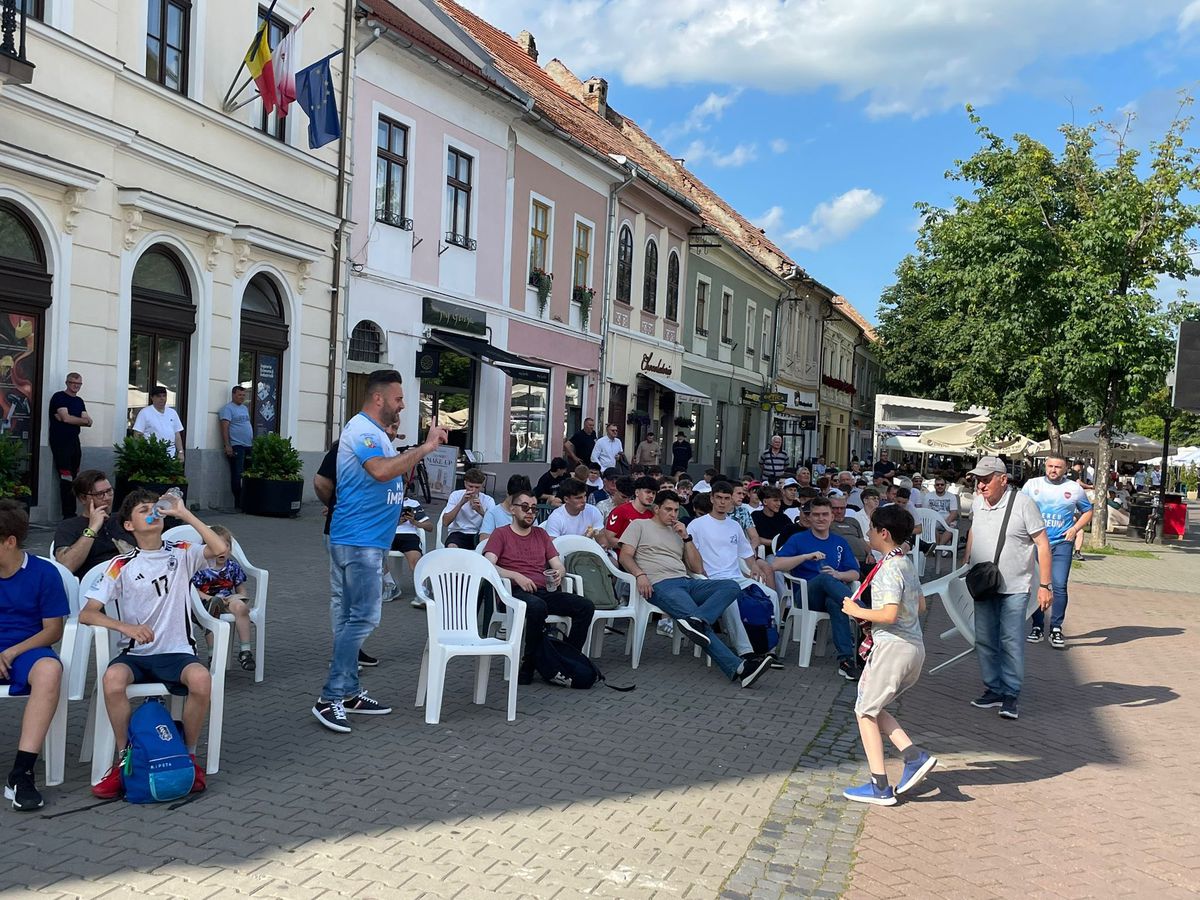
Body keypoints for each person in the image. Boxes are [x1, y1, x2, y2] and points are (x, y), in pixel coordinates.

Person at [312, 369, 448, 734]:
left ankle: (350, 691)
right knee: (364, 618)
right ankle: (330, 696)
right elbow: (381, 472)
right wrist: (426, 448)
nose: (403, 404)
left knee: (349, 618)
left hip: (365, 539)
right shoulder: (361, 431)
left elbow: (390, 476)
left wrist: (412, 456)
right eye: (399, 398)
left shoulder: (377, 435)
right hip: (357, 541)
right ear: (379, 399)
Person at [81, 489, 227, 797]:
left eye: (154, 508)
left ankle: (186, 757)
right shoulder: (120, 564)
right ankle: (126, 760)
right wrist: (125, 626)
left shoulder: (182, 550)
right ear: (130, 526)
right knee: (112, 678)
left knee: (201, 680)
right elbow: (87, 614)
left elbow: (219, 547)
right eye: (143, 510)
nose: (152, 512)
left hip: (176, 652)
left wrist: (183, 514)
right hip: (137, 654)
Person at [619, 490, 773, 688]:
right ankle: (740, 668)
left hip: (687, 581)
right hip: (660, 584)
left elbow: (696, 568)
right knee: (695, 622)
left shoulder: (678, 532)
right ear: (656, 509)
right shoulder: (639, 526)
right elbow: (625, 556)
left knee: (731, 586)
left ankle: (699, 619)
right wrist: (640, 575)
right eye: (668, 509)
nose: (673, 514)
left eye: (676, 510)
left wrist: (686, 538)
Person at [840, 504, 937, 806]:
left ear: (883, 533)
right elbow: (919, 606)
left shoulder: (888, 569)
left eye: (871, 528)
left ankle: (880, 784)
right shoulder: (906, 562)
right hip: (914, 649)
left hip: (892, 647)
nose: (867, 533)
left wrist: (858, 611)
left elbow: (890, 614)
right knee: (874, 705)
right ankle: (911, 756)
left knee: (864, 711)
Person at [965, 457, 1052, 721]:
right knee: (984, 638)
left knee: (1010, 640)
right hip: (983, 583)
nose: (980, 485)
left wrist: (1045, 585)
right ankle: (993, 688)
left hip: (1015, 585)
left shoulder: (1023, 504)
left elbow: (1043, 544)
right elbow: (973, 532)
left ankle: (1011, 693)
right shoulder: (978, 503)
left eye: (986, 479)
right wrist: (966, 562)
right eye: (978, 479)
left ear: (1003, 479)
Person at [0, 500, 69, 811]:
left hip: (27, 649)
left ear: (10, 541)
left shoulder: (44, 572)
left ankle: (21, 774)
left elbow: (53, 630)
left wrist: (12, 651)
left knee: (50, 670)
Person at [485, 491, 594, 684]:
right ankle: (528, 665)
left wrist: (559, 572)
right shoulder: (501, 534)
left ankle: (564, 658)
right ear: (512, 509)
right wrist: (515, 575)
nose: (530, 512)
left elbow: (557, 564)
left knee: (585, 606)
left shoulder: (541, 534)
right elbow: (487, 565)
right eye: (525, 507)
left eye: (534, 508)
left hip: (543, 591)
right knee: (536, 607)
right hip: (512, 593)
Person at [772, 496, 862, 681]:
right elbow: (777, 564)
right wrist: (805, 557)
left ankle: (846, 661)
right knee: (823, 578)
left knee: (836, 603)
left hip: (833, 595)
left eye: (825, 514)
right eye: (816, 515)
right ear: (809, 517)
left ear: (831, 517)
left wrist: (839, 575)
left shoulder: (839, 542)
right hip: (806, 596)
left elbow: (855, 573)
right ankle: (864, 613)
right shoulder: (799, 539)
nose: (821, 518)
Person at [314, 438, 380, 669]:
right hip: (342, 534)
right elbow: (321, 482)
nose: (392, 431)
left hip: (366, 536)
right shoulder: (345, 448)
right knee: (342, 594)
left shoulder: (380, 451)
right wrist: (334, 504)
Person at [1022, 455, 1094, 649]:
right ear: (1045, 466)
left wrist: (1075, 528)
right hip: (1037, 542)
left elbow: (1088, 511)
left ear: (1066, 469)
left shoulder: (1074, 488)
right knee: (1036, 584)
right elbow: (1019, 508)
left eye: (1058, 467)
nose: (1053, 470)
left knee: (1060, 585)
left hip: (1061, 543)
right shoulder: (1032, 485)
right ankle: (1037, 625)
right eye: (1050, 466)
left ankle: (1055, 628)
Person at [190, 524, 255, 671]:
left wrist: (241, 598)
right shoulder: (201, 567)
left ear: (230, 549)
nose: (221, 551)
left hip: (227, 599)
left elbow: (240, 588)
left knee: (241, 607)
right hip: (206, 602)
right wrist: (207, 598)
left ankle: (245, 651)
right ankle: (213, 654)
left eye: (226, 546)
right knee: (213, 610)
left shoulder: (232, 567)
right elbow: (193, 589)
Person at [53, 470, 132, 578]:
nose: (107, 498)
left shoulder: (122, 519)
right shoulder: (69, 526)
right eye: (100, 494)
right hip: (93, 584)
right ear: (83, 498)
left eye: (109, 491)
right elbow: (66, 566)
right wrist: (93, 528)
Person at [47, 372, 92, 519]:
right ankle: (68, 514)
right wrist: (78, 420)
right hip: (60, 441)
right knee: (66, 477)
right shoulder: (59, 397)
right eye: (73, 383)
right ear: (67, 382)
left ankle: (71, 513)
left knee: (75, 477)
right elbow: (66, 419)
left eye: (79, 384)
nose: (76, 386)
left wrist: (73, 419)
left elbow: (89, 421)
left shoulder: (79, 401)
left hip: (74, 441)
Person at [384, 485, 432, 609]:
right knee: (373, 553)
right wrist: (394, 522)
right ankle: (390, 585)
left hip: (409, 536)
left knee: (415, 559)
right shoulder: (384, 501)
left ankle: (422, 591)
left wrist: (414, 522)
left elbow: (430, 527)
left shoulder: (413, 503)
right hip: (388, 534)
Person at [541, 478, 612, 548]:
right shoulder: (555, 517)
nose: (584, 501)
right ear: (566, 499)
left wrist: (596, 535)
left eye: (584, 496)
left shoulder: (593, 511)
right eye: (578, 498)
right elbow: (552, 548)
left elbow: (603, 543)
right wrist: (582, 540)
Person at [218, 385, 253, 510]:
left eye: (244, 395)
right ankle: (238, 503)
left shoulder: (244, 408)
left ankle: (248, 500)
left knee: (249, 474)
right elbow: (224, 427)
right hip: (237, 446)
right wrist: (228, 445)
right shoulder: (227, 409)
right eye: (239, 395)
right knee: (237, 474)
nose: (242, 397)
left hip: (248, 445)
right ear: (233, 395)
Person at [441, 469, 496, 549]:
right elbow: (445, 522)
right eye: (470, 486)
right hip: (458, 532)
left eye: (477, 487)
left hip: (478, 533)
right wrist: (461, 503)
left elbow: (495, 524)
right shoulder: (455, 495)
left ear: (482, 486)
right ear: (465, 484)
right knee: (452, 547)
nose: (473, 490)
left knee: (488, 548)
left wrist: (480, 511)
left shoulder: (488, 500)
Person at [132, 385, 185, 460]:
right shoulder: (145, 413)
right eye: (159, 396)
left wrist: (180, 452)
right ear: (152, 398)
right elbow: (137, 434)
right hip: (151, 457)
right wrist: (139, 453)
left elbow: (177, 435)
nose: (162, 398)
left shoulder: (172, 413)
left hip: (170, 457)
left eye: (164, 396)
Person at [479, 474, 530, 544]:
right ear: (507, 494)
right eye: (516, 499)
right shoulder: (493, 513)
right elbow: (483, 540)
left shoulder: (529, 513)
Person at [604, 475, 657, 539]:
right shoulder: (619, 511)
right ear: (637, 492)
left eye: (653, 493)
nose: (651, 496)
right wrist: (631, 547)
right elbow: (609, 538)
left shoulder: (652, 515)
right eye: (647, 492)